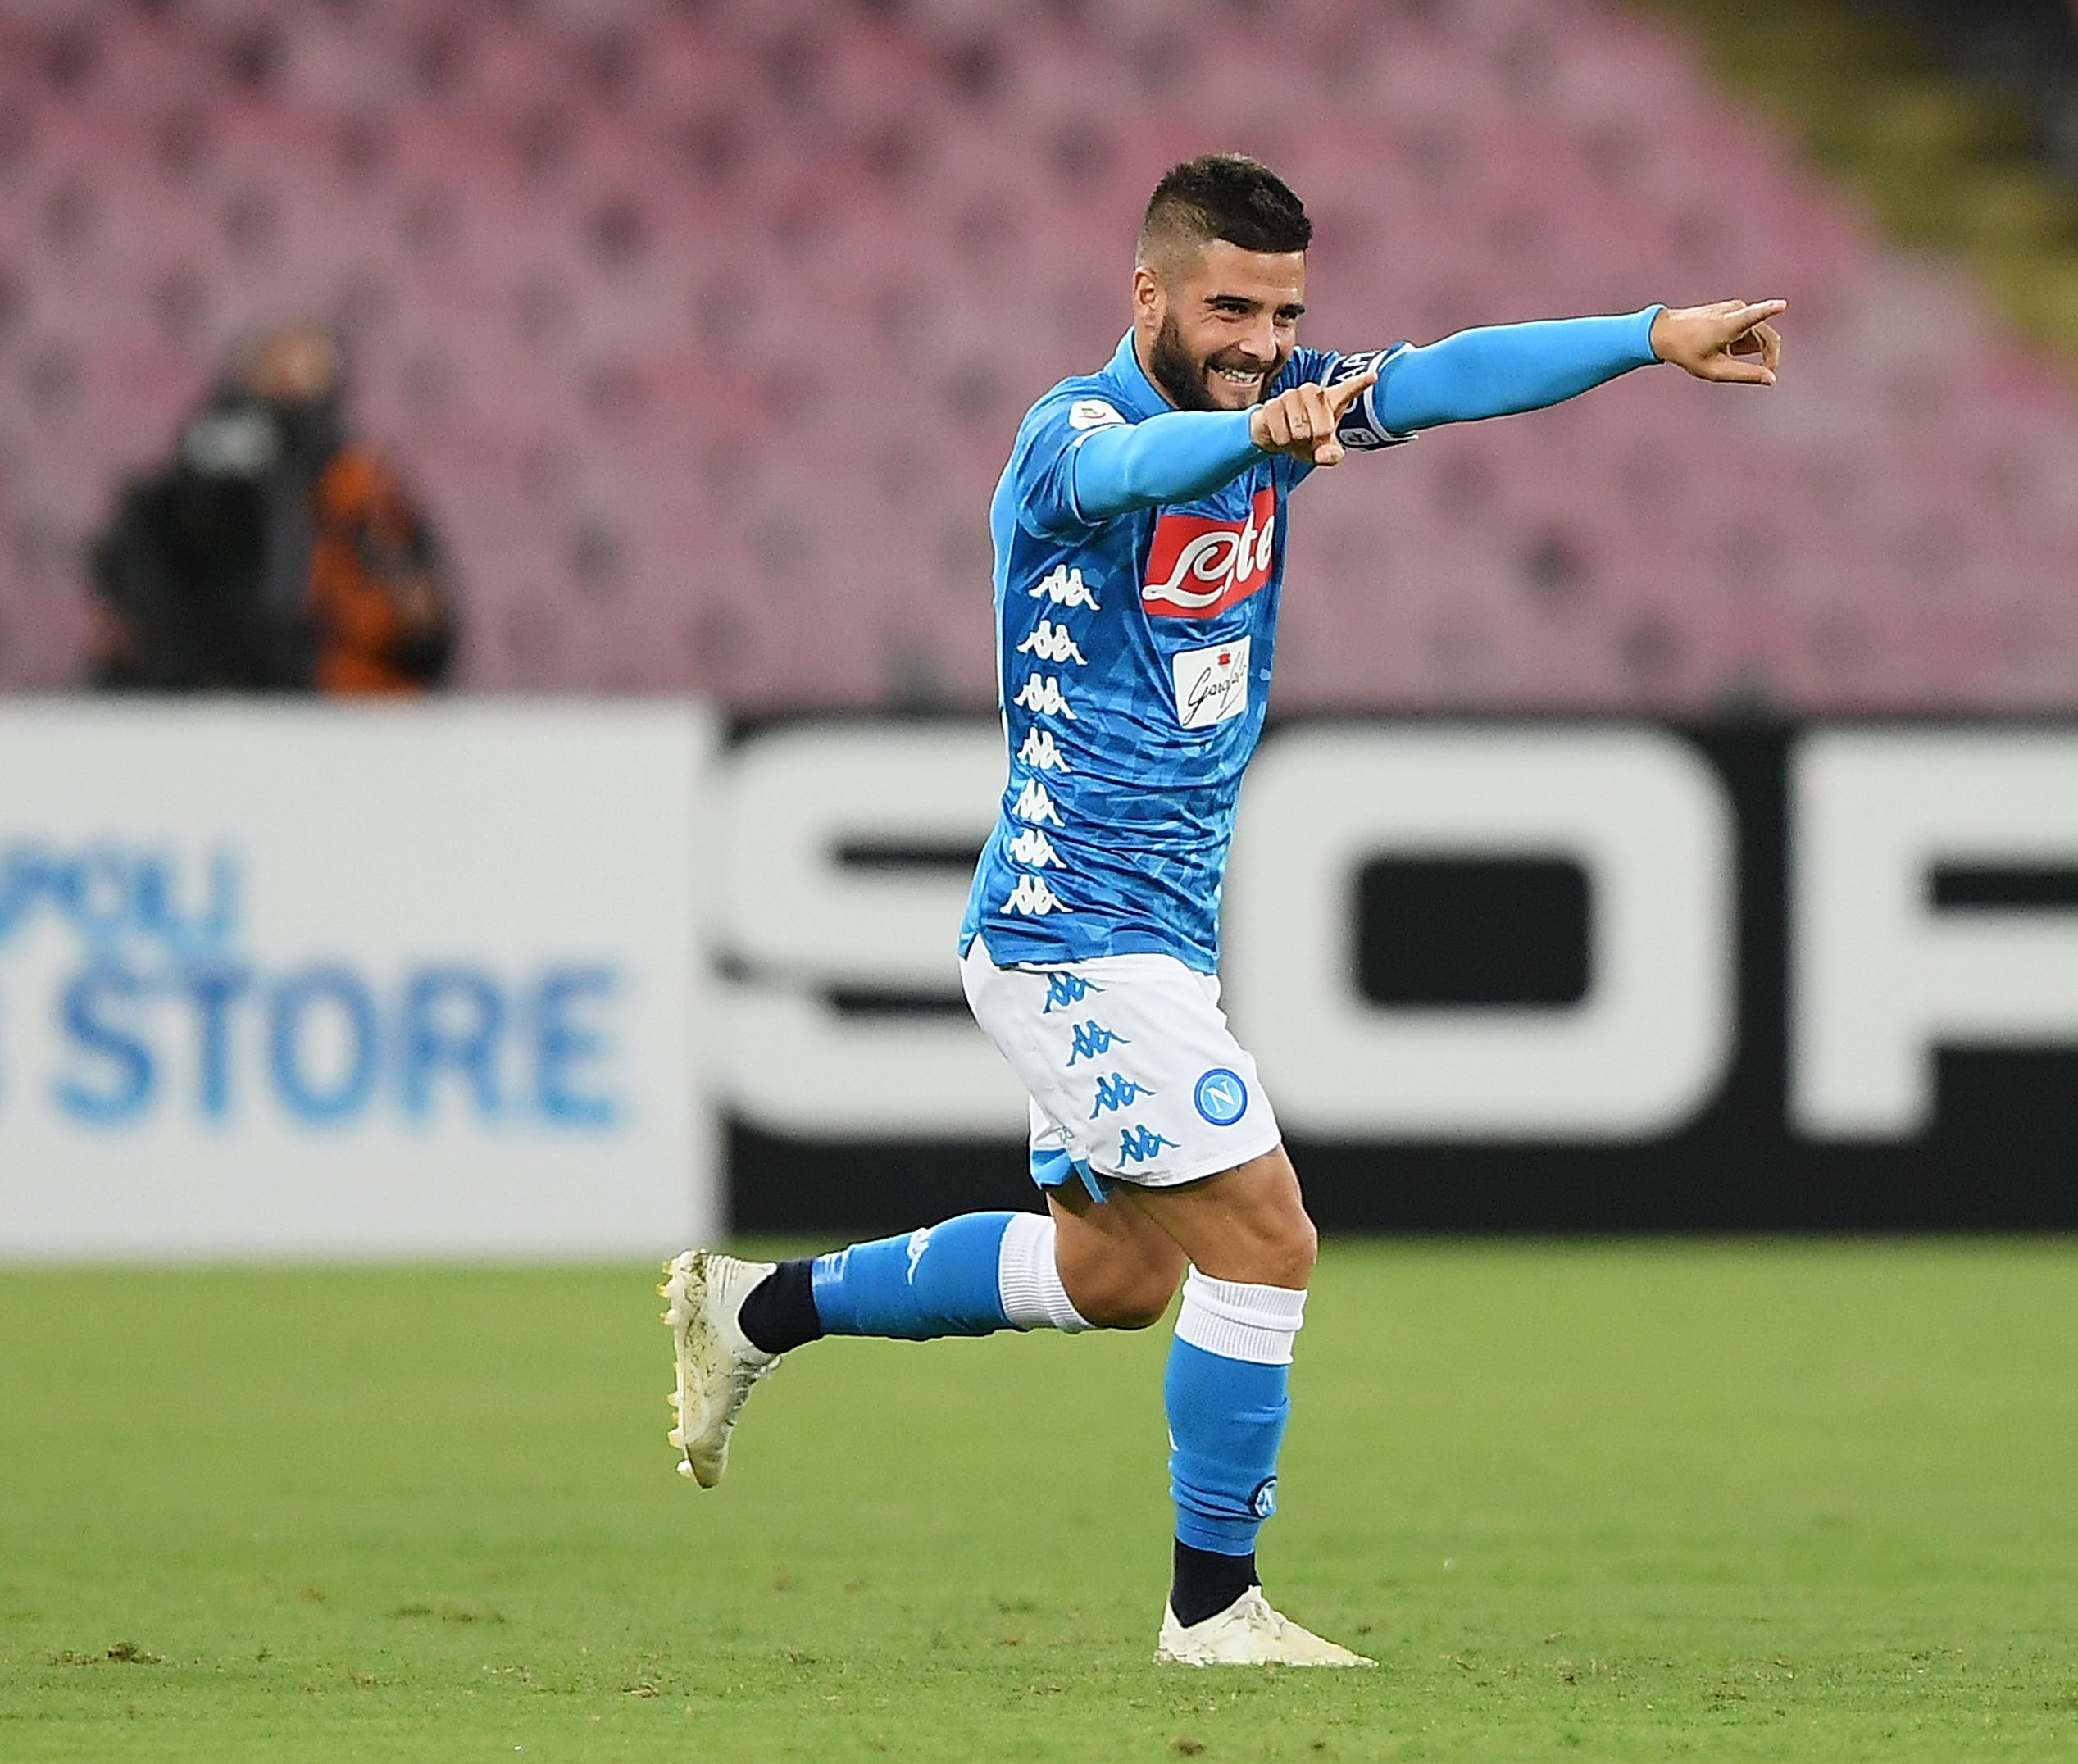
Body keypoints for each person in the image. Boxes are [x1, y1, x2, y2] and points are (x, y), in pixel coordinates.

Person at [662, 154, 1781, 1667]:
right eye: (1231, 309)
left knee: (1116, 1277)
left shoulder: (1292, 401)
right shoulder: (1070, 436)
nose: (1264, 341)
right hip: (1070, 929)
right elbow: (1136, 475)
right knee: (1267, 1237)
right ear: (1149, 294)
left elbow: (1450, 376)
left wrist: (1652, 335)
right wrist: (1251, 433)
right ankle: (1212, 1610)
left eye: (1287, 313)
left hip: (1154, 932)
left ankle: (754, 1310)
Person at [88, 321, 456, 693]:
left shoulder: (359, 485)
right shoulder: (196, 476)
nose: (289, 379)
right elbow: (138, 567)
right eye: (276, 366)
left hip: (320, 683)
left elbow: (423, 621)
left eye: (303, 367)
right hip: (194, 680)